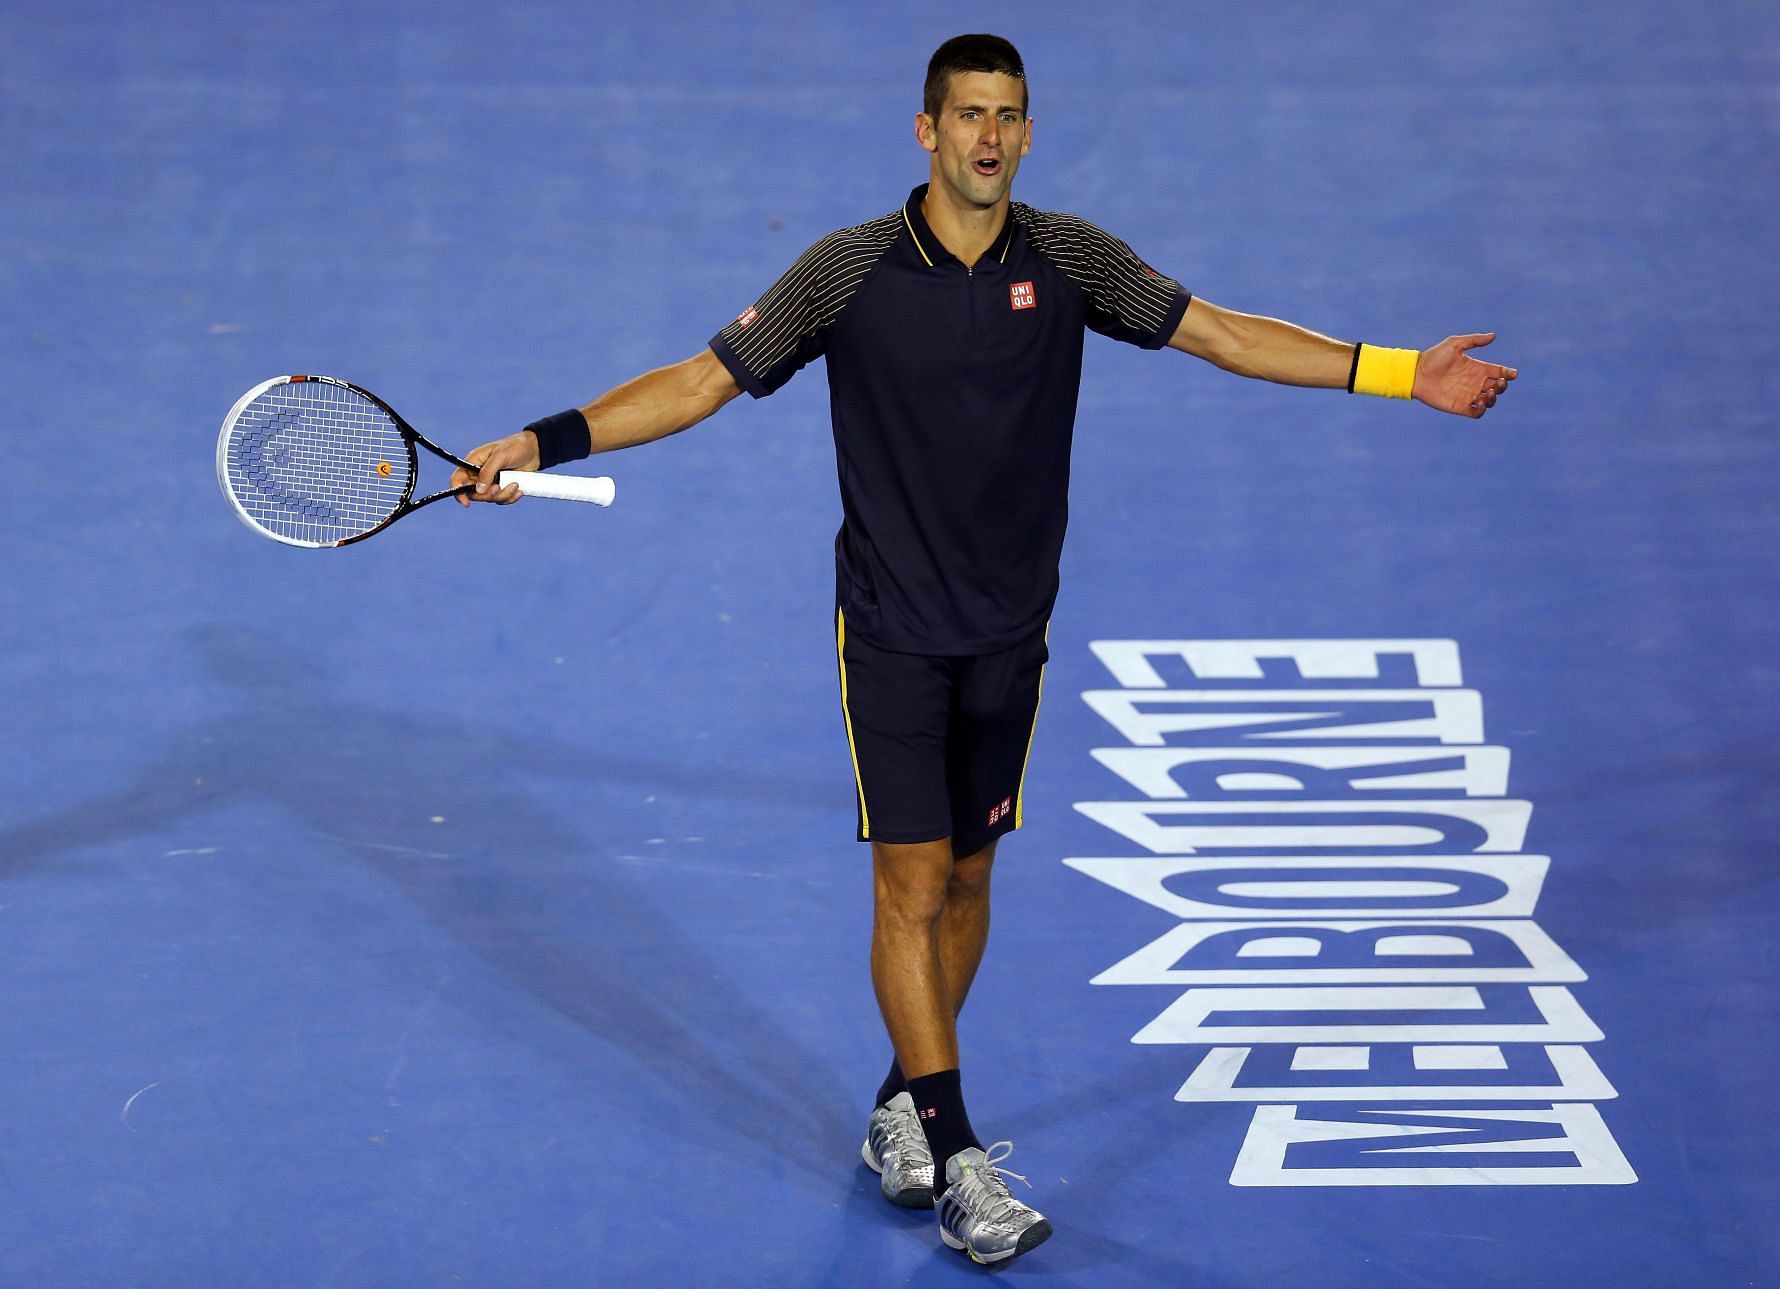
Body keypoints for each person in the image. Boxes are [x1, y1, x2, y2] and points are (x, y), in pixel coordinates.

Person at [454, 32, 1516, 1267]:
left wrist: (1397, 374)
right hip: (896, 634)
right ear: (925, 129)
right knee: (910, 883)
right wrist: (543, 440)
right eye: (968, 115)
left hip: (1011, 634)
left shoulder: (1071, 259)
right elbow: (699, 382)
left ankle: (902, 1104)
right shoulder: (845, 272)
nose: (990, 137)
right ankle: (960, 1160)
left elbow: (1221, 333)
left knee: (968, 880)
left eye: (1009, 115)